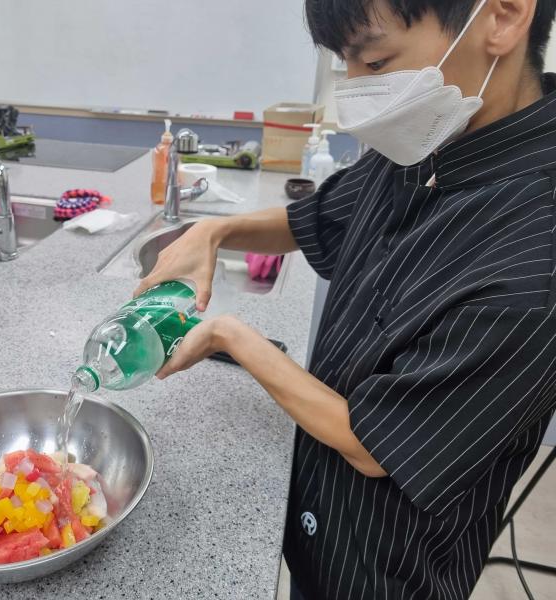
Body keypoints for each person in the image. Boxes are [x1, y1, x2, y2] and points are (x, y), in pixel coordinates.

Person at [134, 0, 556, 598]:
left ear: (505, 17)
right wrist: (215, 231)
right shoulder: (430, 139)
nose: (356, 91)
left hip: (388, 569)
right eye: (345, 65)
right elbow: (313, 218)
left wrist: (233, 335)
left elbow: (374, 444)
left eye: (375, 61)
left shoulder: (532, 265)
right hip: (317, 519)